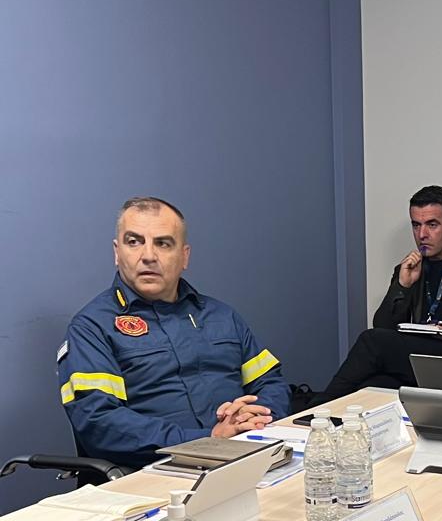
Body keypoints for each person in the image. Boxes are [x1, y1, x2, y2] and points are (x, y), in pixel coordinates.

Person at [59, 197, 288, 470]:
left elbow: (270, 382)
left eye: (163, 243)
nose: (148, 255)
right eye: (134, 242)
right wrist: (208, 441)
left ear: (184, 256)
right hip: (156, 473)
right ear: (117, 252)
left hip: (245, 456)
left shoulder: (221, 316)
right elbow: (100, 423)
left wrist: (256, 419)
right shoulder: (92, 327)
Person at [312, 186, 442, 402]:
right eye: (416, 225)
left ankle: (314, 409)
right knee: (369, 386)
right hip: (423, 358)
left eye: (432, 225)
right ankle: (324, 416)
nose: (422, 235)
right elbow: (384, 328)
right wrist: (402, 285)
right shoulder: (410, 268)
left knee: (370, 340)